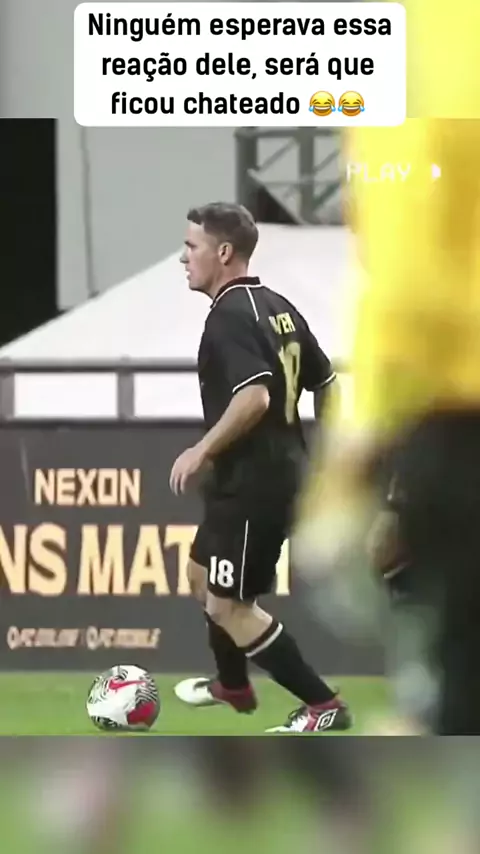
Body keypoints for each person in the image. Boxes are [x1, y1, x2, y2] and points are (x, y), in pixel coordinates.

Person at [169, 201, 352, 733]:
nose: (183, 257)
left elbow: (255, 398)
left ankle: (324, 707)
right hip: (255, 479)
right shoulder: (277, 306)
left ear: (224, 252)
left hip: (256, 486)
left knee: (230, 607)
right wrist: (328, 453)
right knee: (200, 574)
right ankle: (232, 683)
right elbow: (326, 382)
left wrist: (201, 450)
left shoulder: (228, 317)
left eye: (192, 246)